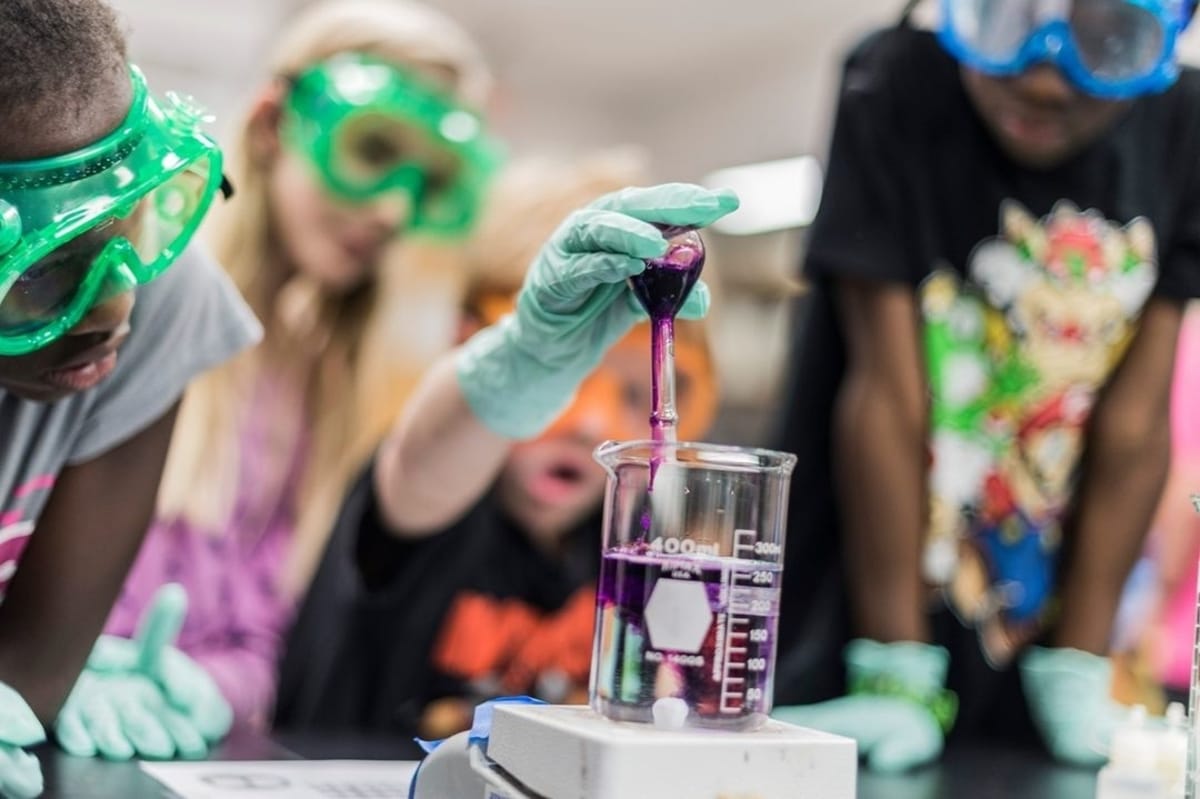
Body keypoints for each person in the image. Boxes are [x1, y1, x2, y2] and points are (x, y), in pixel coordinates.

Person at [772, 0, 1200, 773]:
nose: (1043, 81)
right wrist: (894, 664)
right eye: (1005, 17)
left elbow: (1136, 420)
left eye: (1109, 38)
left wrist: (1079, 662)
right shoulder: (893, 81)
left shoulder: (1186, 124)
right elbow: (886, 398)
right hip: (865, 615)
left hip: (1035, 637)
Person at [78, 0, 504, 757]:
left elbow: (271, 642)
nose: (393, 208)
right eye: (372, 148)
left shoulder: (325, 394)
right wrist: (53, 666)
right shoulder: (116, 302)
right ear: (274, 125)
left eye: (428, 182)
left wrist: (207, 687)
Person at [274, 156, 731, 740]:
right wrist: (517, 365)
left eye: (636, 393)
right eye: (569, 381)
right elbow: (425, 462)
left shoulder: (624, 547)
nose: (592, 427)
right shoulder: (435, 499)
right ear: (471, 342)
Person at [0, 0, 262, 794]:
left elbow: (26, 685)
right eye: (43, 267)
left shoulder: (165, 297)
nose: (116, 307)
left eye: (136, 222)